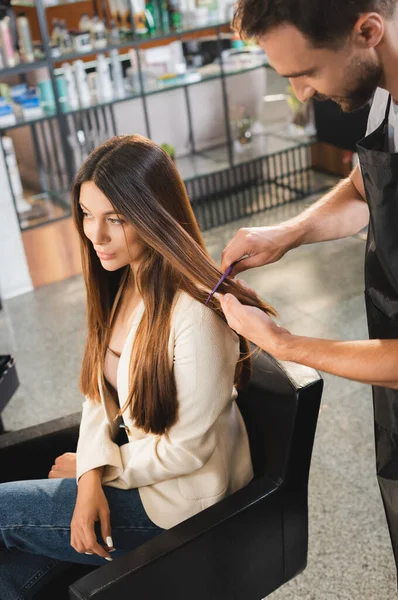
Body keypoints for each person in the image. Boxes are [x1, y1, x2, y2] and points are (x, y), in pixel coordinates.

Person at [0, 135, 277, 599]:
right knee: (11, 574)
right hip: (136, 474)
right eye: (87, 215)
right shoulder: (123, 282)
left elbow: (185, 452)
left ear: (153, 215)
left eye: (116, 218)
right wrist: (89, 473)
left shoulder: (195, 313)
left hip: (178, 506)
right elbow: (96, 393)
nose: (96, 235)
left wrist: (98, 471)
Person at [218, 0, 398, 592]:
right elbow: (364, 187)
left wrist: (284, 343)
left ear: (367, 31)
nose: (300, 94)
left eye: (307, 73)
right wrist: (287, 234)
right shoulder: (387, 93)